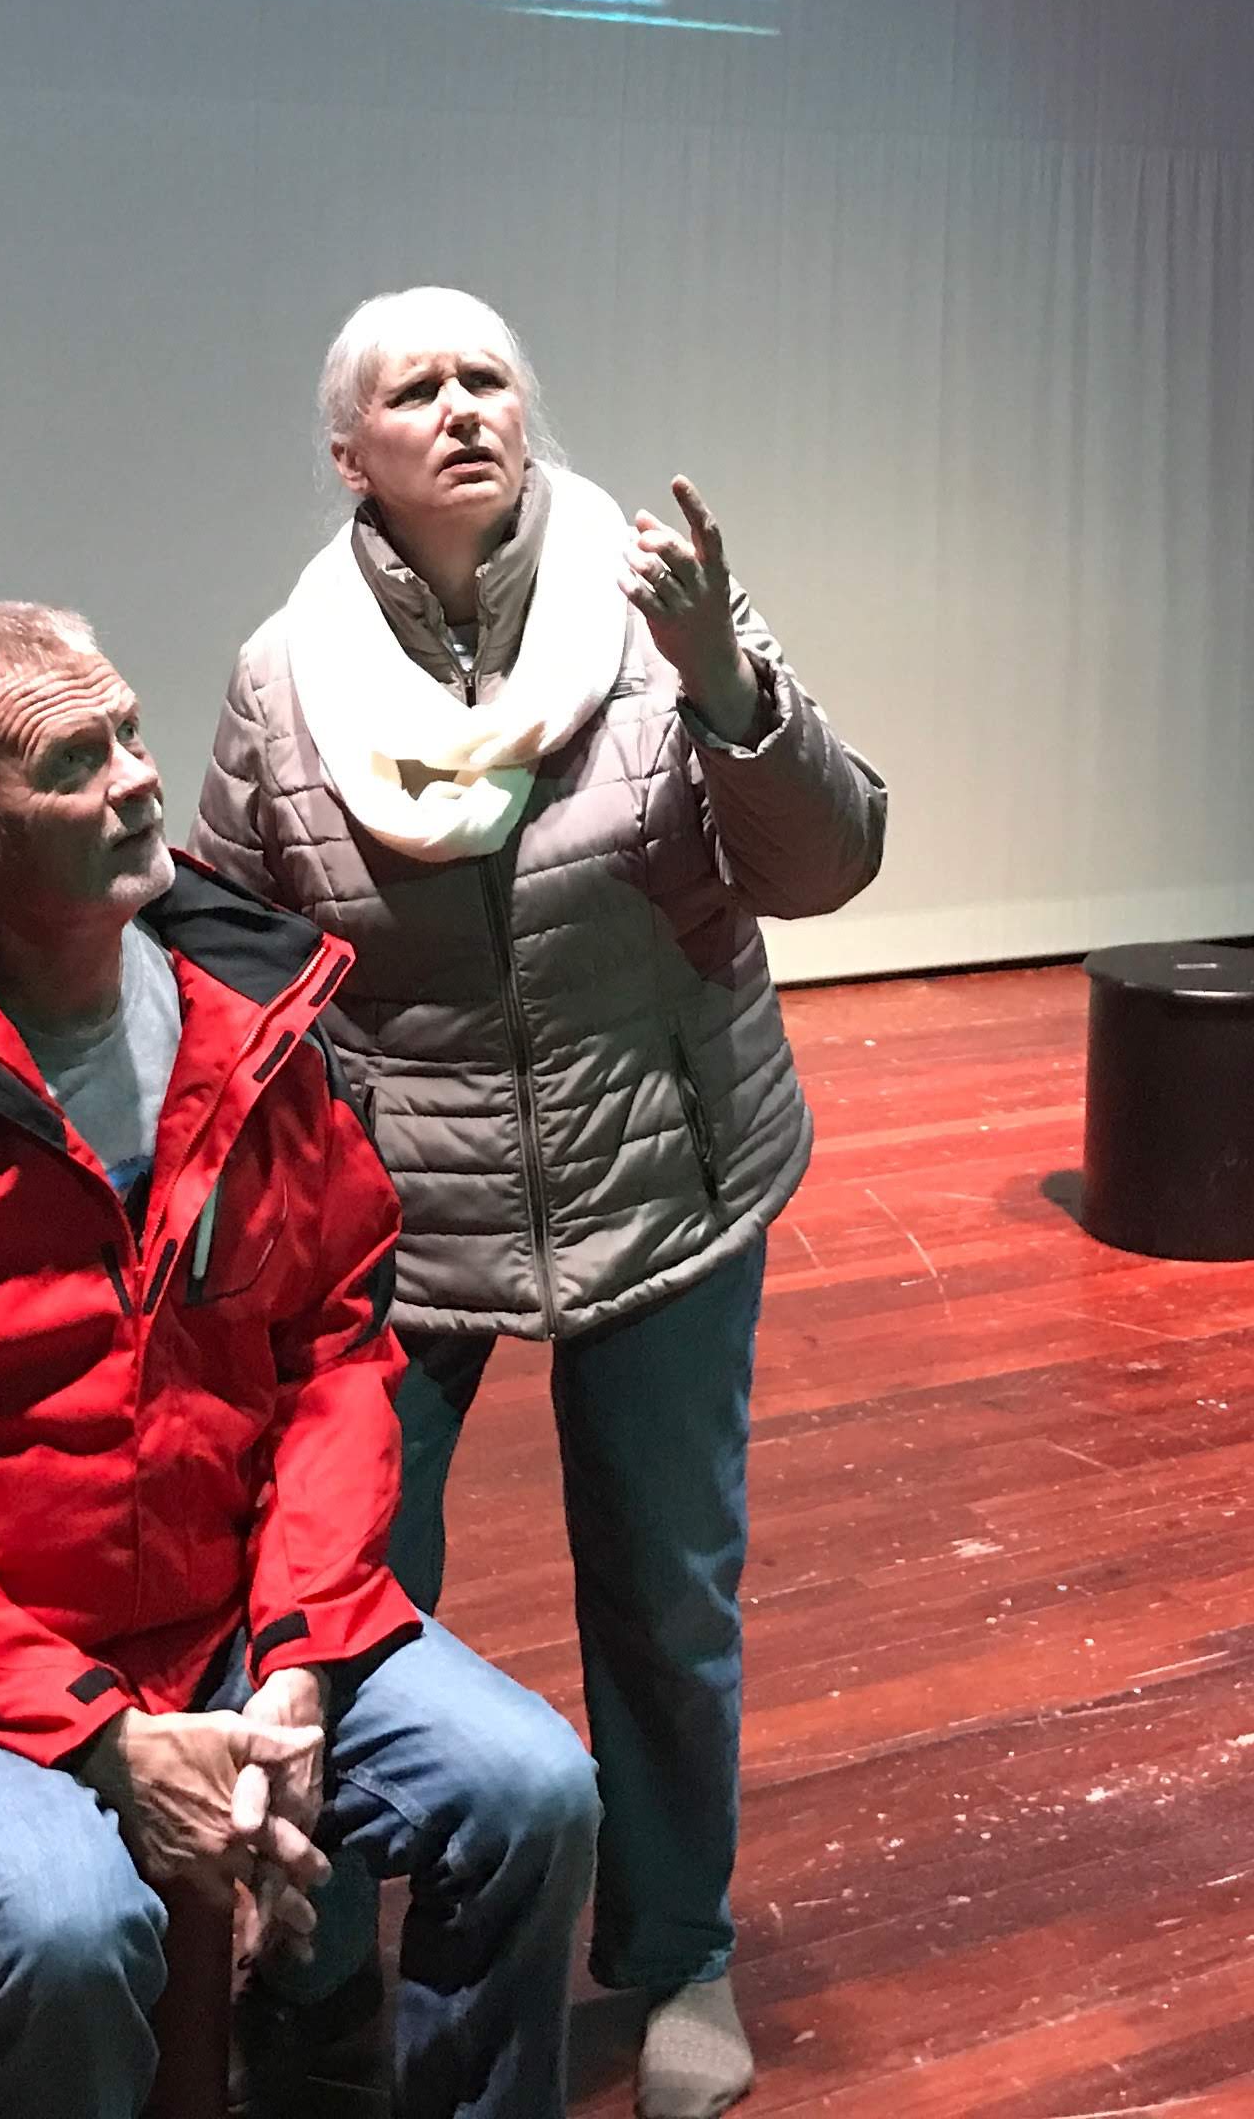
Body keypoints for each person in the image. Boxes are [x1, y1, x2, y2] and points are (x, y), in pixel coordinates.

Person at [0, 600, 596, 2119]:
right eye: (72, 762)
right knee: (63, 1925)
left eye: (130, 734)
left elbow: (336, 1348)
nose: (138, 780)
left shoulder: (254, 1032)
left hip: (223, 1620)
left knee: (528, 1793)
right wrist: (99, 1735)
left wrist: (298, 1657)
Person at [194, 288, 888, 2119]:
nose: (460, 408)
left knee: (668, 1591)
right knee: (340, 1592)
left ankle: (677, 1949)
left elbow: (831, 860)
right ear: (349, 453)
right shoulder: (285, 674)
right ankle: (317, 1959)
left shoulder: (655, 614)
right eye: (412, 389)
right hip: (395, 1200)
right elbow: (230, 946)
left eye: (487, 376)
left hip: (664, 1158)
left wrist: (732, 687)